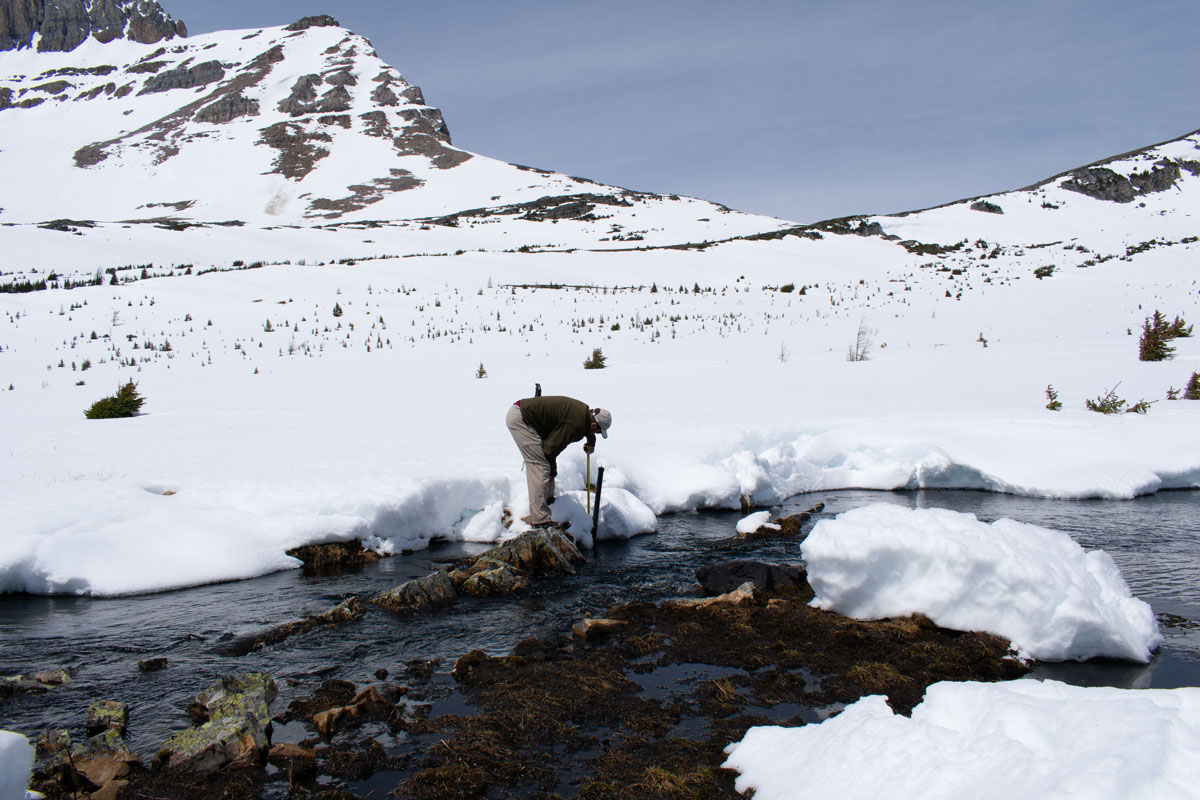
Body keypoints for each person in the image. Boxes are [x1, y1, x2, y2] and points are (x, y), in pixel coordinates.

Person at [506, 395, 612, 529]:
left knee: (546, 465)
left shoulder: (584, 413)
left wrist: (591, 442)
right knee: (540, 465)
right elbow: (550, 449)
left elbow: (586, 428)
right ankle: (540, 520)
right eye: (597, 432)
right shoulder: (575, 424)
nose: (596, 434)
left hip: (525, 415)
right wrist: (553, 471)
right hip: (521, 419)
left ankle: (548, 500)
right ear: (593, 424)